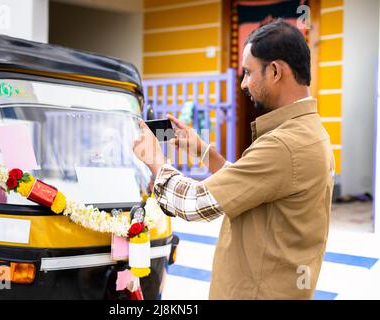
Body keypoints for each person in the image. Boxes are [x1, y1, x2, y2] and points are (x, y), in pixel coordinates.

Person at [133, 19, 335, 300]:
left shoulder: (284, 145)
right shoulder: (309, 132)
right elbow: (253, 186)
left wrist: (155, 160)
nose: (243, 84)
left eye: (248, 73)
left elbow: (195, 203)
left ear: (275, 71)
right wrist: (204, 152)